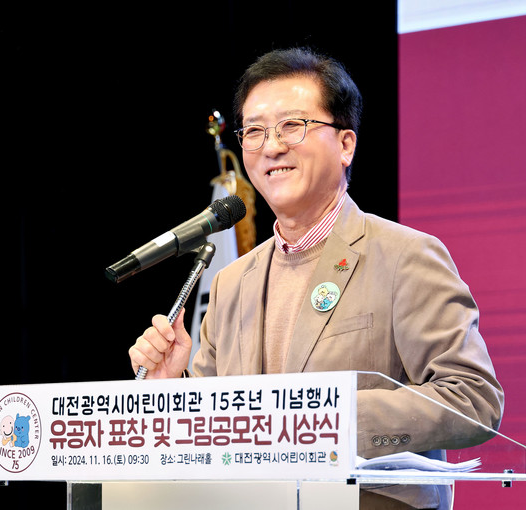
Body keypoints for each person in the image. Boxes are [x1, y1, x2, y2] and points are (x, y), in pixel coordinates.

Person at [128, 47, 504, 510]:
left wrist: (326, 421)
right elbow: (218, 426)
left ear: (346, 145)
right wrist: (169, 393)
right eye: (255, 131)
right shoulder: (232, 282)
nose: (271, 146)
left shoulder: (405, 256)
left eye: (292, 125)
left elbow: (473, 399)